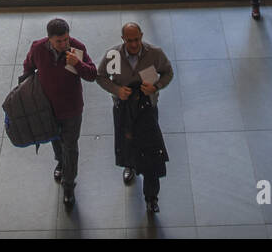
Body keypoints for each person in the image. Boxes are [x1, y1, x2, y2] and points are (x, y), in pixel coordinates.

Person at [95, 22, 174, 214]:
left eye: (136, 39)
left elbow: (168, 73)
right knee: (126, 141)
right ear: (123, 39)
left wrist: (156, 87)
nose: (133, 44)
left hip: (147, 109)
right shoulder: (113, 55)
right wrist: (117, 90)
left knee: (152, 153)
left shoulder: (154, 53)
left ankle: (151, 197)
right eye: (129, 41)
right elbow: (100, 76)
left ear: (142, 36)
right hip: (123, 109)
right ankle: (129, 165)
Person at [21, 18, 97, 210]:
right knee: (54, 139)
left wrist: (77, 64)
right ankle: (60, 163)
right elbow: (28, 67)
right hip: (48, 108)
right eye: (59, 42)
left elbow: (92, 74)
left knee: (70, 146)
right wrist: (28, 93)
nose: (64, 45)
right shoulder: (38, 49)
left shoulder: (77, 48)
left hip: (71, 109)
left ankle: (69, 186)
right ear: (49, 40)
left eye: (66, 40)